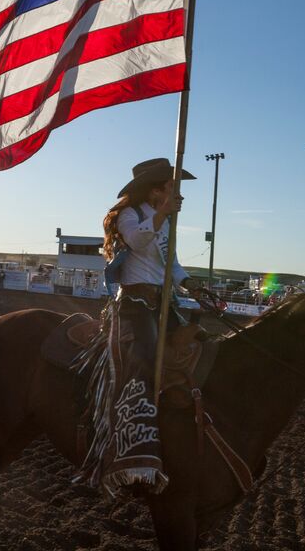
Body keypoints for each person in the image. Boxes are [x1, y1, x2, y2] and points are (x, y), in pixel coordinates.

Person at [81, 157, 198, 496]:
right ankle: (132, 434)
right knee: (147, 358)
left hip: (163, 301)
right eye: (172, 187)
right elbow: (138, 242)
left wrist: (189, 283)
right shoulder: (129, 216)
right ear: (157, 189)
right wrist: (163, 214)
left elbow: (171, 264)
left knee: (196, 344)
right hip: (133, 303)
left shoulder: (165, 220)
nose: (178, 193)